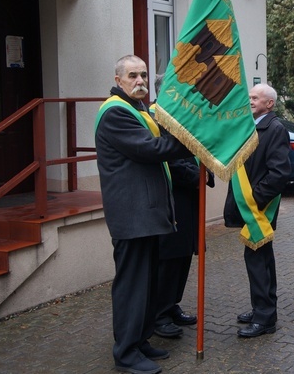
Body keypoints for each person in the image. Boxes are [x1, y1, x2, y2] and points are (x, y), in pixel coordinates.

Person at [95, 55, 192, 374]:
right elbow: (153, 150)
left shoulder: (138, 109)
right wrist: (191, 140)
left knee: (147, 284)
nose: (140, 81)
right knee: (132, 286)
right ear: (118, 79)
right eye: (133, 75)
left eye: (144, 75)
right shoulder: (115, 113)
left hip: (145, 216)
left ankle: (139, 340)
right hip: (132, 217)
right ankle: (125, 353)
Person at [150, 75, 215, 339]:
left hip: (189, 198)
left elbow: (197, 151)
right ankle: (159, 314)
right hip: (172, 198)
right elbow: (170, 162)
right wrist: (197, 178)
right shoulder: (157, 118)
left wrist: (206, 172)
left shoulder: (182, 117)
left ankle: (172, 303)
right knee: (170, 257)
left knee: (185, 254)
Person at [223, 83, 291, 337]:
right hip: (253, 209)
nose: (249, 100)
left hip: (260, 210)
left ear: (269, 103)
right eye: (249, 96)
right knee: (260, 261)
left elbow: (279, 173)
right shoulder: (253, 125)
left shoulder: (274, 128)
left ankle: (265, 319)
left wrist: (255, 201)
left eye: (255, 97)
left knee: (259, 263)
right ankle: (262, 309)